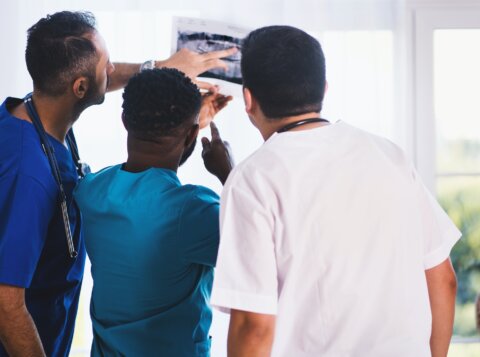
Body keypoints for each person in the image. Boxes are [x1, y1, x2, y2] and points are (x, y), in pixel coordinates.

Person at [210, 25, 460, 357]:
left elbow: (253, 325)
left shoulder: (251, 179)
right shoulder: (389, 155)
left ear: (248, 98)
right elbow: (443, 280)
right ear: (324, 89)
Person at [0, 10, 235, 357]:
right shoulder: (30, 174)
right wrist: (226, 172)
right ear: (79, 87)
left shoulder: (88, 184)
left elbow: (147, 173)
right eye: (106, 65)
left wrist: (159, 75)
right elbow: (6, 303)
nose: (113, 72)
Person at [74, 68, 233, 356]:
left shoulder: (90, 191)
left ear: (125, 121)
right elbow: (260, 249)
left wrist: (189, 127)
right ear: (191, 136)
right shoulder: (193, 211)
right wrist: (230, 175)